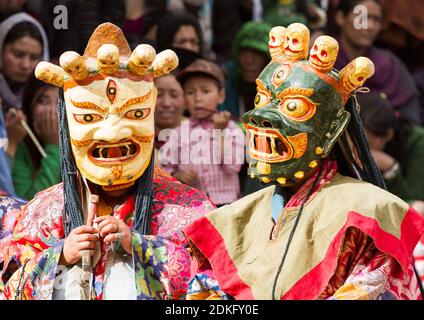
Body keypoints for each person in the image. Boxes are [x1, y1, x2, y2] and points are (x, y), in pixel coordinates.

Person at [184, 23, 424, 300]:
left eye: (293, 107)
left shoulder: (370, 213)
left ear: (332, 128)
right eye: (261, 99)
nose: (261, 116)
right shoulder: (232, 219)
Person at [0, 23, 215, 300]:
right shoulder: (44, 212)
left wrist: (141, 247)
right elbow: (9, 287)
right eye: (89, 118)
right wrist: (60, 257)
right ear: (66, 125)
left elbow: (213, 287)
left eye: (135, 114)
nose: (113, 132)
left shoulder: (189, 209)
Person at [161, 59, 244, 207]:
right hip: (191, 206)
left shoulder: (232, 129)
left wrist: (220, 131)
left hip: (226, 205)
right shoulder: (177, 133)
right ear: (184, 98)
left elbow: (232, 167)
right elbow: (165, 169)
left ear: (221, 96)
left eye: (205, 91)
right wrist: (177, 175)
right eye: (190, 92)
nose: (198, 99)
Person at [330, 0, 421, 125]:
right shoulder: (323, 58)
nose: (371, 26)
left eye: (377, 20)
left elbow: (410, 118)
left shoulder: (389, 64)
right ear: (341, 18)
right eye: (362, 17)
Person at [358, 93, 424, 209]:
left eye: (369, 144)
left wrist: (391, 168)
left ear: (388, 135)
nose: (360, 149)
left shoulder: (418, 142)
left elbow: (413, 202)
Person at [10, 76, 61, 200]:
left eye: (60, 103)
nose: (52, 111)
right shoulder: (18, 143)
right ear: (29, 108)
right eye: (44, 101)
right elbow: (28, 201)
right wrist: (54, 146)